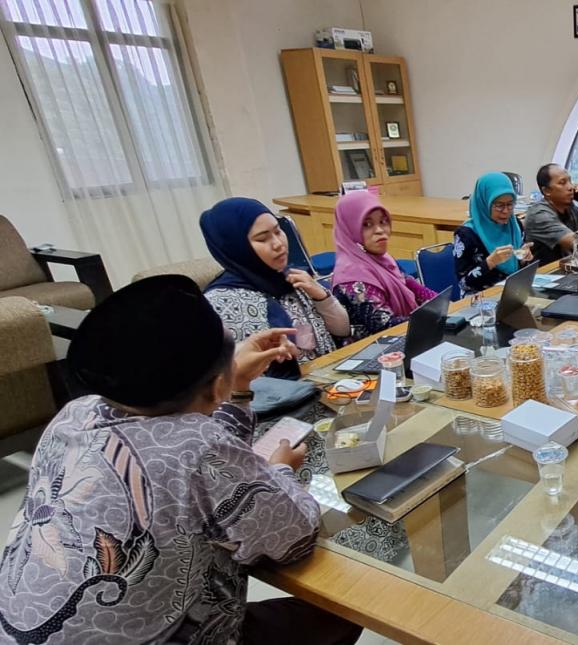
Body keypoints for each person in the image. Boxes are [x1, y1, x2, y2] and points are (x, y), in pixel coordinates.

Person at [0, 275, 362, 644]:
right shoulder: (197, 446)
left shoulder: (76, 412)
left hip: (35, 632)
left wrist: (234, 388)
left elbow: (194, 458)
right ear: (215, 385)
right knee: (343, 608)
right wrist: (281, 469)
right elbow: (294, 538)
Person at [201, 197, 350, 378]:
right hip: (281, 400)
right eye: (263, 238)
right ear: (237, 247)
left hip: (330, 382)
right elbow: (227, 382)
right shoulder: (220, 304)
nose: (278, 244)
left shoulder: (292, 277)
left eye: (278, 231)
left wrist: (322, 297)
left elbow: (342, 330)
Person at [331, 190, 438, 339]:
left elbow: (409, 284)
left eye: (383, 221)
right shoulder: (352, 277)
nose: (380, 231)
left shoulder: (381, 258)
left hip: (404, 338)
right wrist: (432, 317)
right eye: (367, 224)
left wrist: (440, 304)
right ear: (349, 228)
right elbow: (384, 324)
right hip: (373, 351)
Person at [454, 172, 534, 294]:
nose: (506, 211)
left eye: (510, 204)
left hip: (513, 292)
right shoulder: (467, 234)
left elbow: (518, 269)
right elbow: (464, 284)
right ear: (484, 203)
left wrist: (523, 257)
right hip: (481, 299)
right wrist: (490, 262)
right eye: (499, 205)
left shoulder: (514, 225)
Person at [524, 163, 578, 265]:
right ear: (546, 191)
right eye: (562, 183)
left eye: (570, 181)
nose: (571, 187)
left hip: (570, 267)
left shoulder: (570, 208)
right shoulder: (539, 215)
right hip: (546, 274)